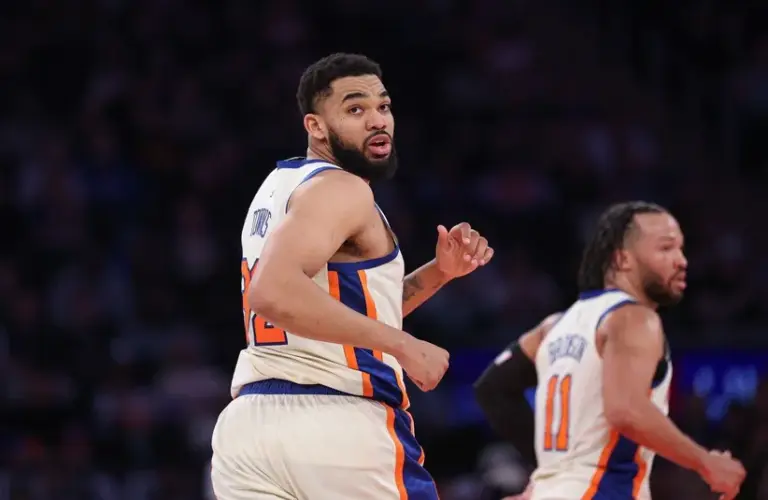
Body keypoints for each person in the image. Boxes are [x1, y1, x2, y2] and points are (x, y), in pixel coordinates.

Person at [210, 52, 494, 500]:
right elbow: (273, 290)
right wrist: (404, 345)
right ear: (316, 126)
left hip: (248, 431)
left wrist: (440, 273)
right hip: (340, 424)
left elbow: (333, 312)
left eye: (383, 106)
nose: (377, 121)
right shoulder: (344, 188)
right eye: (355, 109)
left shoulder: (277, 188)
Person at [474, 201, 746, 500]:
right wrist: (706, 462)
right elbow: (625, 411)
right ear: (622, 259)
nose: (681, 260)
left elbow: (492, 388)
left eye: (681, 248)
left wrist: (552, 473)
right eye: (666, 248)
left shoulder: (554, 326)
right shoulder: (635, 318)